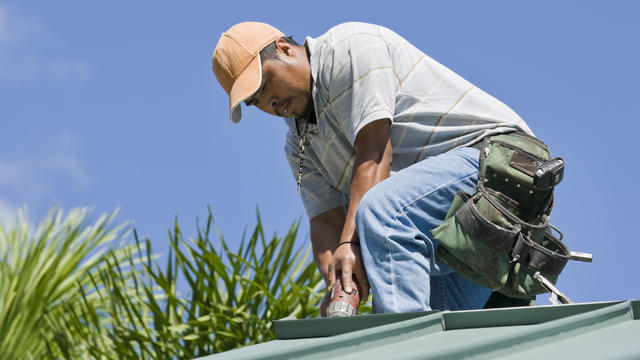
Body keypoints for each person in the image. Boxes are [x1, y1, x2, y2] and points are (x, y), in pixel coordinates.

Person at [211, 21, 533, 314]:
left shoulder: (349, 49)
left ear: (283, 48)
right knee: (417, 303)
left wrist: (350, 245)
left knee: (379, 214)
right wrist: (339, 282)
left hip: (502, 164)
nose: (270, 103)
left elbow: (375, 153)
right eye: (257, 101)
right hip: (462, 226)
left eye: (266, 84)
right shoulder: (299, 145)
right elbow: (325, 222)